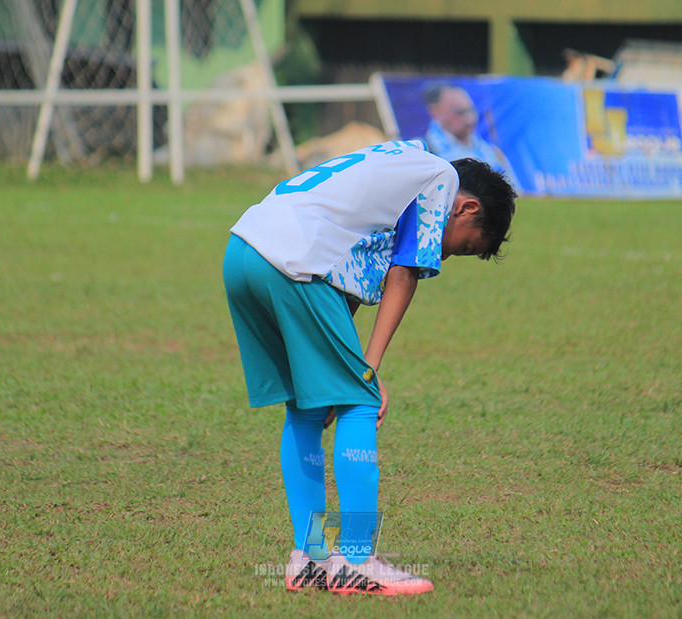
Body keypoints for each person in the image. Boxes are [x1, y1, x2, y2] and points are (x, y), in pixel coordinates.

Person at [222, 140, 517, 596]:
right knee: (360, 402)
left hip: (244, 251)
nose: (445, 255)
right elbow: (405, 272)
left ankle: (310, 559)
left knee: (306, 405)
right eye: (461, 247)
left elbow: (349, 282)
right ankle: (357, 560)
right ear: (466, 207)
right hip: (295, 261)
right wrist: (368, 370)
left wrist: (352, 366)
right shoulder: (442, 178)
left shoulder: (403, 160)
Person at [423, 84, 518, 187]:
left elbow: (514, 193)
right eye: (460, 112)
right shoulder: (424, 152)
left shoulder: (492, 153)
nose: (470, 119)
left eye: (471, 111)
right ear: (436, 111)